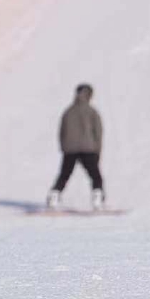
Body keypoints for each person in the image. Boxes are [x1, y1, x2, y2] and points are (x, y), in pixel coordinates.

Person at [47, 83, 106, 211]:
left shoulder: (68, 111)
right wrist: (97, 149)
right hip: (88, 149)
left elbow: (61, 131)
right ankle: (97, 198)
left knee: (64, 174)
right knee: (95, 175)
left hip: (70, 149)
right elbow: (98, 132)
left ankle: (54, 196)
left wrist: (64, 146)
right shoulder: (92, 112)